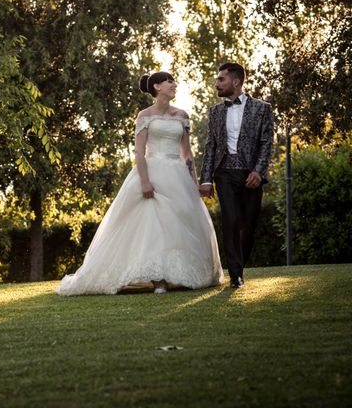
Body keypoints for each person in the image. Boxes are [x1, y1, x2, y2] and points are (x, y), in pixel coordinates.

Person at [56, 72, 224, 296]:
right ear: (157, 86)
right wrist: (145, 182)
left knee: (178, 224)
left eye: (173, 81)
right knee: (152, 224)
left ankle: (183, 274)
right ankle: (159, 280)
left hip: (177, 175)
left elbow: (187, 153)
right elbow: (139, 151)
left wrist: (194, 185)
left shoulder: (181, 115)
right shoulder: (145, 116)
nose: (174, 85)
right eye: (169, 81)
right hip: (152, 172)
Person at [199, 62, 274, 289]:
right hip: (224, 173)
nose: (217, 84)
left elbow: (266, 143)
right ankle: (235, 275)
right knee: (230, 221)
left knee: (248, 225)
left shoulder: (262, 108)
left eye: (221, 79)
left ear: (236, 81)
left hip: (250, 174)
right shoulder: (214, 112)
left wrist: (258, 172)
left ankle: (239, 268)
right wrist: (205, 179)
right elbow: (210, 146)